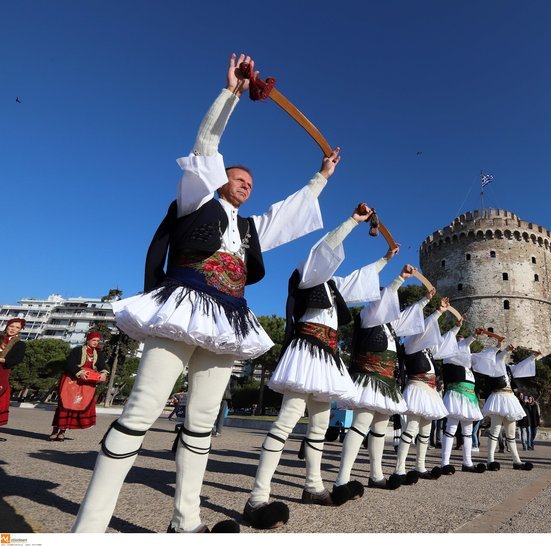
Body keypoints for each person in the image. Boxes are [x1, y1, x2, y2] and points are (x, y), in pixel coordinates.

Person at [72, 53, 340, 534]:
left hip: (228, 321)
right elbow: (206, 143)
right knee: (140, 413)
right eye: (239, 179)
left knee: (200, 425)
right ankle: (88, 530)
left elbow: (290, 211)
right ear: (221, 180)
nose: (246, 186)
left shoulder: (253, 228)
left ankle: (186, 522)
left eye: (251, 184)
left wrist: (321, 176)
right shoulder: (197, 198)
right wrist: (229, 94)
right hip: (184, 307)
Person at [243, 206, 389, 529]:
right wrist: (352, 221)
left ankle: (313, 486)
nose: (331, 258)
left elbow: (357, 280)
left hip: (325, 357)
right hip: (306, 350)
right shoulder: (306, 273)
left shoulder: (332, 287)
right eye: (327, 255)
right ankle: (257, 497)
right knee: (285, 422)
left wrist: (385, 262)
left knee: (320, 426)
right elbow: (325, 248)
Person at [330, 264, 427, 504]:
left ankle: (376, 475)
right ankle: (342, 480)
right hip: (369, 377)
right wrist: (399, 280)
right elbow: (386, 298)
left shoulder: (390, 327)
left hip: (386, 382)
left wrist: (427, 301)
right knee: (361, 425)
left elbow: (409, 316)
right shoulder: (368, 316)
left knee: (380, 429)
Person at [390, 297, 454, 485]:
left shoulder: (425, 347)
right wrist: (438, 312)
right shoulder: (411, 342)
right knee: (411, 429)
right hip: (417, 387)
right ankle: (400, 468)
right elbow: (426, 326)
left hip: (429, 390)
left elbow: (442, 344)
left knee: (425, 431)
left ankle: (420, 466)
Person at [473, 341, 535, 471]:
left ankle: (516, 461)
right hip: (498, 398)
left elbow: (520, 367)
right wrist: (507, 349)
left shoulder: (508, 369)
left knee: (511, 433)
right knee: (495, 431)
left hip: (510, 399)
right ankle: (490, 460)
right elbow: (499, 358)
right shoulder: (494, 365)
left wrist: (533, 357)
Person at [440, 329, 486, 475]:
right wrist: (472, 337)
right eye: (458, 342)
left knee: (468, 431)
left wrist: (498, 347)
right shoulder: (449, 357)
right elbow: (463, 345)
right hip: (456, 395)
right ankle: (444, 463)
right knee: (451, 429)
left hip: (469, 398)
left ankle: (468, 462)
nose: (462, 345)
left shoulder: (468, 366)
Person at [50, 331, 108, 441]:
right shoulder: (77, 350)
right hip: (72, 380)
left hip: (87, 382)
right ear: (88, 340)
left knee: (75, 406)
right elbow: (70, 364)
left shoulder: (98, 353)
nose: (96, 342)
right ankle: (54, 430)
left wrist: (103, 373)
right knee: (64, 405)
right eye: (94, 340)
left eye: (97, 341)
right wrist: (79, 372)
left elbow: (101, 366)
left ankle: (62, 432)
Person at [0, 318, 27, 440]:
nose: (13, 329)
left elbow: (17, 359)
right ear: (7, 326)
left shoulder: (20, 344)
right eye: (12, 326)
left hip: (2, 371)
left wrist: (3, 360)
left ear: (20, 330)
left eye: (17, 327)